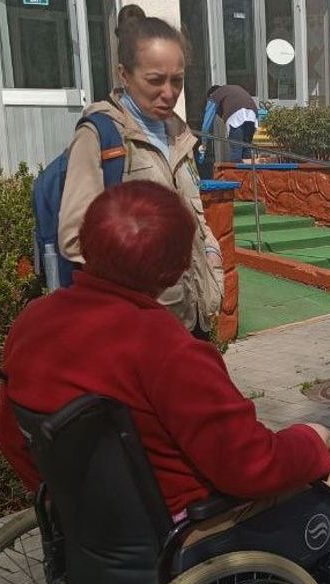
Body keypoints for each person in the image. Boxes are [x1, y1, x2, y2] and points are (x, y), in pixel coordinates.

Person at [0, 181, 330, 540]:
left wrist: (71, 502)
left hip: (100, 528)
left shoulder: (35, 320)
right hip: (189, 530)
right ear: (175, 269)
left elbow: (10, 435)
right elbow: (248, 466)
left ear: (86, 241)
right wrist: (318, 438)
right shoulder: (167, 349)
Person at [58, 5, 222, 340]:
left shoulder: (178, 134)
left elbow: (195, 216)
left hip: (192, 320)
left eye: (177, 80)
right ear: (124, 74)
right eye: (155, 80)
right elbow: (75, 237)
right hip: (137, 329)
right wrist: (142, 282)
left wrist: (213, 262)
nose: (169, 93)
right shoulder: (100, 137)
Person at [203, 84, 258, 163]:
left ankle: (236, 175)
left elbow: (207, 122)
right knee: (246, 150)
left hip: (236, 118)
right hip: (252, 117)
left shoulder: (215, 95)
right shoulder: (231, 90)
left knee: (236, 151)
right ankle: (248, 174)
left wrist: (203, 144)